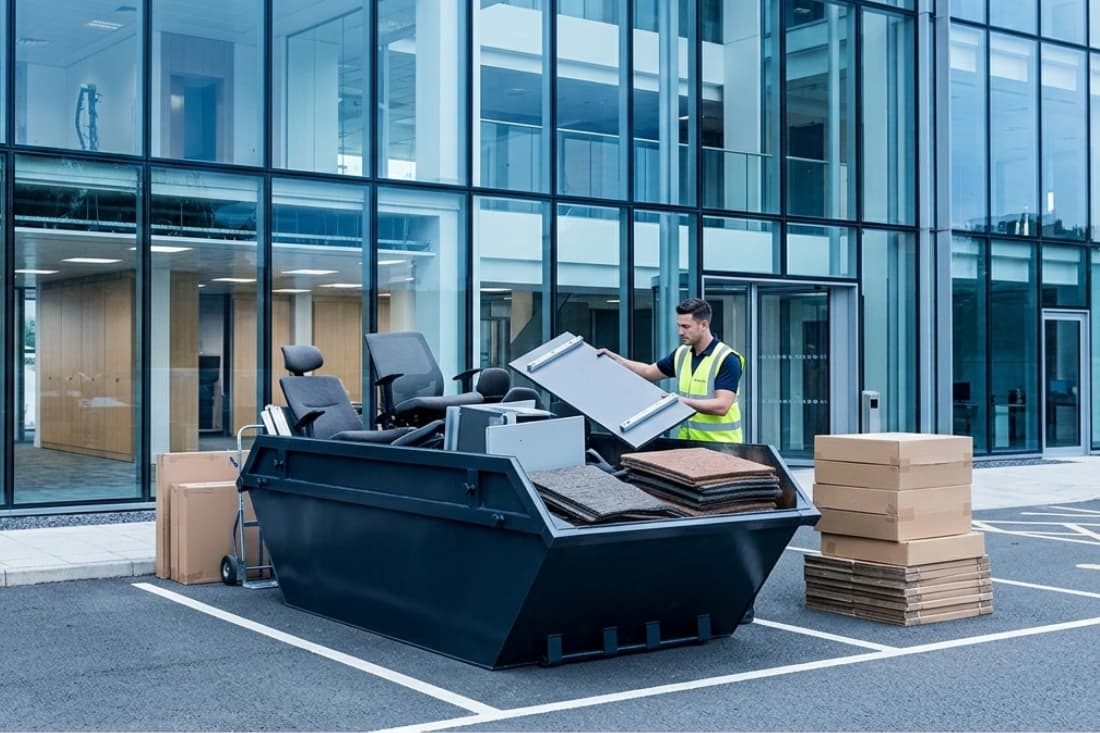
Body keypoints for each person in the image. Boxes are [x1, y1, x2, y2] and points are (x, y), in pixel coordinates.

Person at [598, 297, 744, 443]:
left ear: (704, 325)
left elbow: (722, 406)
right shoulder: (682, 354)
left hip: (723, 448)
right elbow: (648, 372)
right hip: (688, 444)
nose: (680, 332)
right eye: (679, 326)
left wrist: (679, 401)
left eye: (686, 327)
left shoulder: (727, 359)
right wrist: (616, 359)